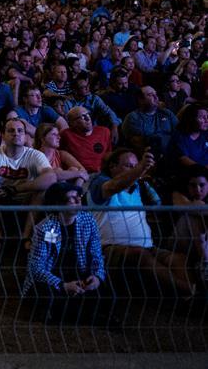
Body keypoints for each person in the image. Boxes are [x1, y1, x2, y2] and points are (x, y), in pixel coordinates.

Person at [89, 148, 194, 297]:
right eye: (129, 166)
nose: (134, 170)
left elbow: (157, 204)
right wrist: (140, 169)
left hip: (147, 247)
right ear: (112, 166)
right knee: (139, 254)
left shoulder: (139, 187)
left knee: (179, 259)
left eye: (135, 166)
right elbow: (113, 186)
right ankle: (192, 291)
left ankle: (186, 299)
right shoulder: (99, 182)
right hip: (110, 249)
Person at [22, 182, 109, 326]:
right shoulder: (44, 228)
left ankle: (74, 313)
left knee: (104, 287)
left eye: (78, 196)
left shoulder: (89, 221)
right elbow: (36, 267)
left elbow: (96, 255)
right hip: (53, 276)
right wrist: (63, 285)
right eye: (71, 198)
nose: (78, 200)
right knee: (46, 293)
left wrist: (97, 277)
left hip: (79, 273)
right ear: (58, 204)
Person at [0, 118, 56, 257]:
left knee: (42, 190)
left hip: (25, 199)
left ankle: (26, 237)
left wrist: (17, 189)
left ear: (26, 136)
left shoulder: (35, 155)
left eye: (20, 131)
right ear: (3, 136)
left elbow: (51, 177)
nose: (16, 133)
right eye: (11, 131)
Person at [120, 85, 178, 159]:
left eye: (155, 94)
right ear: (141, 100)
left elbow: (179, 132)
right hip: (148, 156)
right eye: (150, 95)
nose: (156, 97)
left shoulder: (166, 113)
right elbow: (138, 143)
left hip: (172, 152)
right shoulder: (133, 117)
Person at [59, 106, 112, 174]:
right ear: (72, 123)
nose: (88, 118)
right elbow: (58, 155)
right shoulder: (66, 134)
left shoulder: (104, 131)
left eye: (88, 114)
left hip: (101, 174)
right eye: (82, 117)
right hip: (80, 174)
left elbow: (108, 154)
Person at [169, 103, 208, 167]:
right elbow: (183, 159)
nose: (206, 120)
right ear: (191, 119)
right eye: (201, 117)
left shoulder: (205, 133)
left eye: (207, 116)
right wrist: (204, 169)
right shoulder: (179, 137)